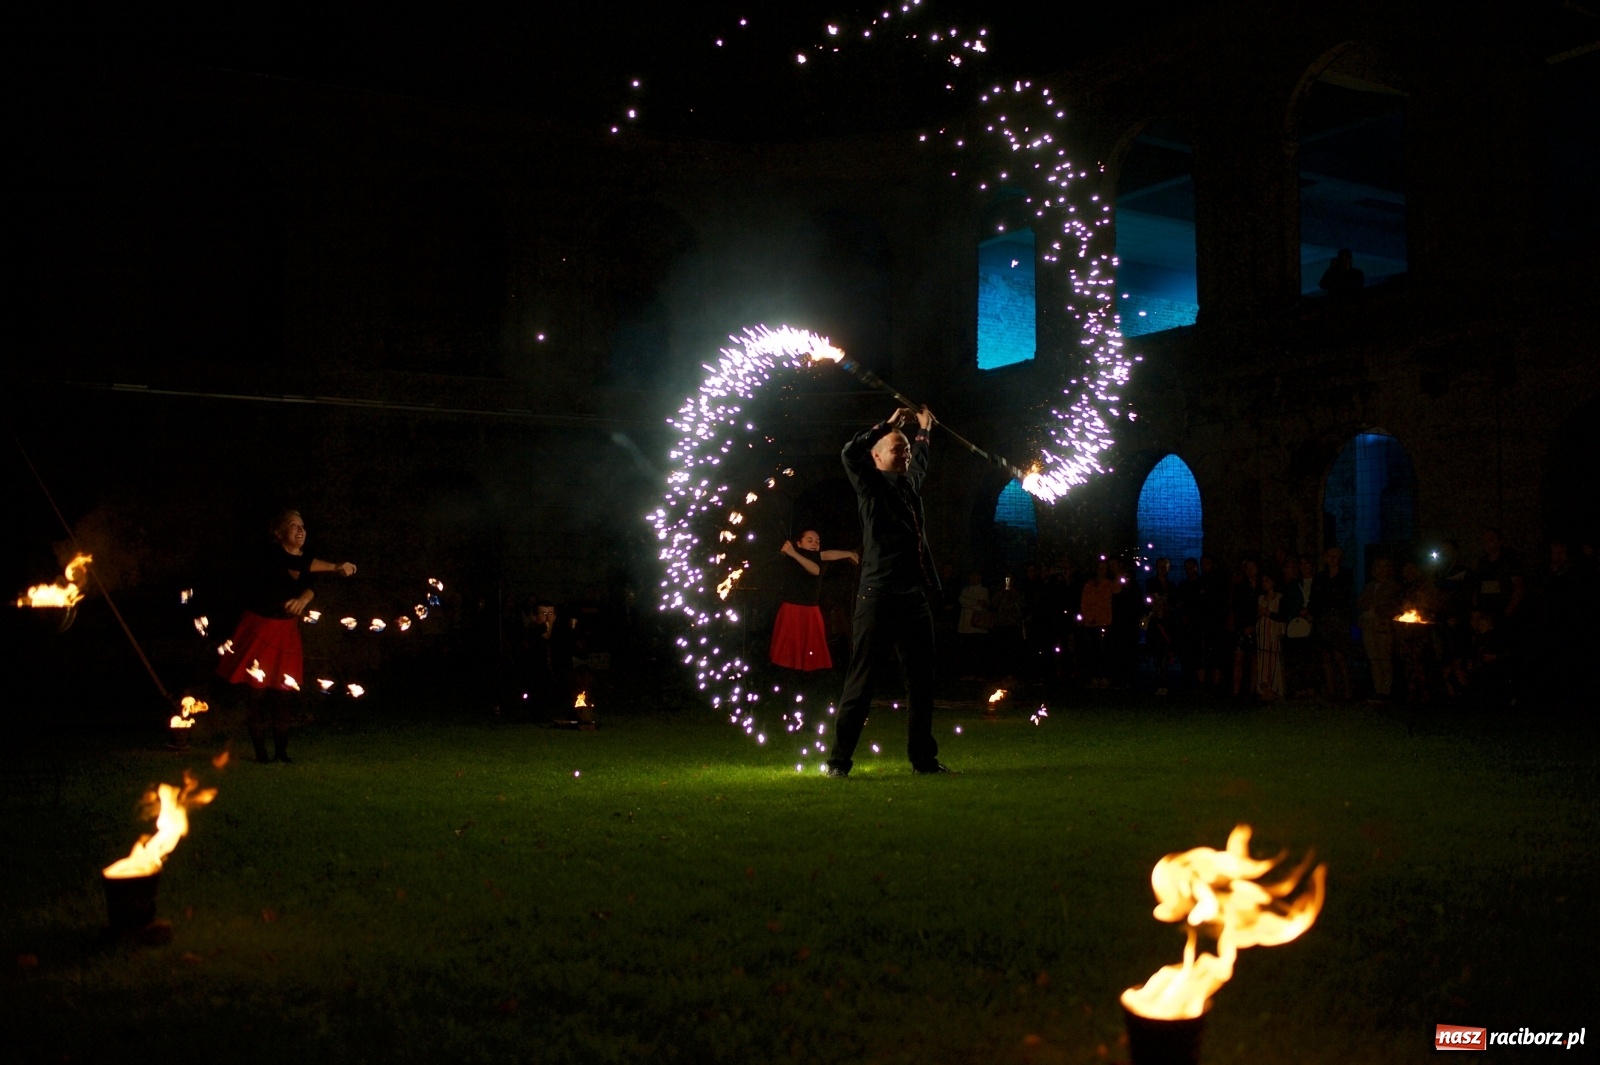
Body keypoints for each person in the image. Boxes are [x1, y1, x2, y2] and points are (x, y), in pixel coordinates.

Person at [824, 406, 952, 777]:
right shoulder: (869, 484)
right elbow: (848, 452)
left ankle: (924, 761)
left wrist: (925, 430)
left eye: (906, 449)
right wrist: (887, 425)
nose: (906, 452)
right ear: (877, 456)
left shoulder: (909, 486)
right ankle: (838, 762)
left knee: (922, 684)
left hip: (913, 598)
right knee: (862, 682)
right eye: (898, 448)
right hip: (877, 596)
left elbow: (921, 462)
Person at [216, 509, 356, 763]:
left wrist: (308, 594)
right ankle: (260, 752)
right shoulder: (268, 556)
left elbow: (311, 580)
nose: (301, 530)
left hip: (285, 632)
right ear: (279, 533)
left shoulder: (305, 560)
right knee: (256, 692)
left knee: (283, 692)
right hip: (259, 629)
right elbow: (295, 566)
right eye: (293, 526)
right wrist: (333, 568)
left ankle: (281, 751)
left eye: (302, 526)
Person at [770, 530, 859, 675]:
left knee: (810, 649)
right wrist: (791, 551)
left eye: (817, 542)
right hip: (792, 608)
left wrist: (849, 554)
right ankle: (786, 677)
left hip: (810, 610)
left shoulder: (814, 558)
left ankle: (807, 678)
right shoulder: (792, 556)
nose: (814, 544)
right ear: (799, 543)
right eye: (810, 540)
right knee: (788, 650)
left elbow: (817, 567)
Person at [1358, 558, 1403, 701]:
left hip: (1383, 625)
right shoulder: (1370, 586)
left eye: (1384, 567)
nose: (1380, 570)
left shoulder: (1393, 586)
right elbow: (1360, 602)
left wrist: (1379, 609)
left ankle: (1387, 690)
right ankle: (1378, 689)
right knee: (1374, 658)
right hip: (1368, 625)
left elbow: (1391, 605)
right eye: (1378, 567)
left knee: (1384, 657)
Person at [1312, 547, 1354, 701]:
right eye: (1329, 555)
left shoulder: (1345, 575)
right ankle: (1331, 690)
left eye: (1335, 556)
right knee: (1326, 656)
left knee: (1339, 654)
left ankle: (1348, 689)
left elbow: (1345, 596)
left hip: (1338, 619)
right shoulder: (1320, 577)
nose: (1332, 558)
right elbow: (1315, 597)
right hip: (1323, 619)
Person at [1253, 572, 1287, 699]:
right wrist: (1259, 614)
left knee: (1273, 660)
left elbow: (1281, 617)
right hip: (1262, 634)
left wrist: (1267, 612)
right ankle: (1263, 689)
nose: (1264, 583)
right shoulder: (1261, 598)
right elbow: (1256, 616)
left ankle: (1274, 688)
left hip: (1273, 634)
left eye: (1267, 581)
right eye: (1263, 581)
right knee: (1263, 661)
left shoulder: (1279, 598)